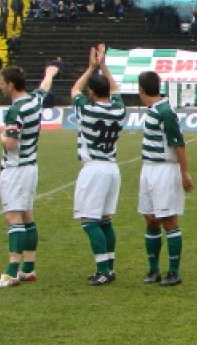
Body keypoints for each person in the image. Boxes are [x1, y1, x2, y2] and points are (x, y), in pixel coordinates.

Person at [0, 63, 60, 288]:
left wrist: (1, 137)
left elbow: (11, 144)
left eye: (1, 82)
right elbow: (44, 87)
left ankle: (11, 271)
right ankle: (28, 268)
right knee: (27, 216)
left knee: (13, 217)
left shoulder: (15, 110)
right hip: (30, 166)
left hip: (15, 169)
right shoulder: (34, 101)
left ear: (10, 85)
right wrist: (50, 72)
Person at [70, 43, 127, 286]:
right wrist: (103, 66)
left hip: (93, 168)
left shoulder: (87, 110)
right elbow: (114, 89)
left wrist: (90, 67)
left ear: (92, 92)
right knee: (104, 220)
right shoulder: (118, 110)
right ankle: (109, 267)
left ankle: (103, 269)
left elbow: (74, 90)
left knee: (89, 221)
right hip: (112, 167)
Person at [137, 70, 194, 287]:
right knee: (150, 218)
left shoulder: (165, 111)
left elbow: (178, 143)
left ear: (141, 89)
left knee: (169, 220)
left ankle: (174, 271)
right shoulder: (153, 110)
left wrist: (184, 172)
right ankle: (153, 270)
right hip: (148, 168)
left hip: (164, 170)